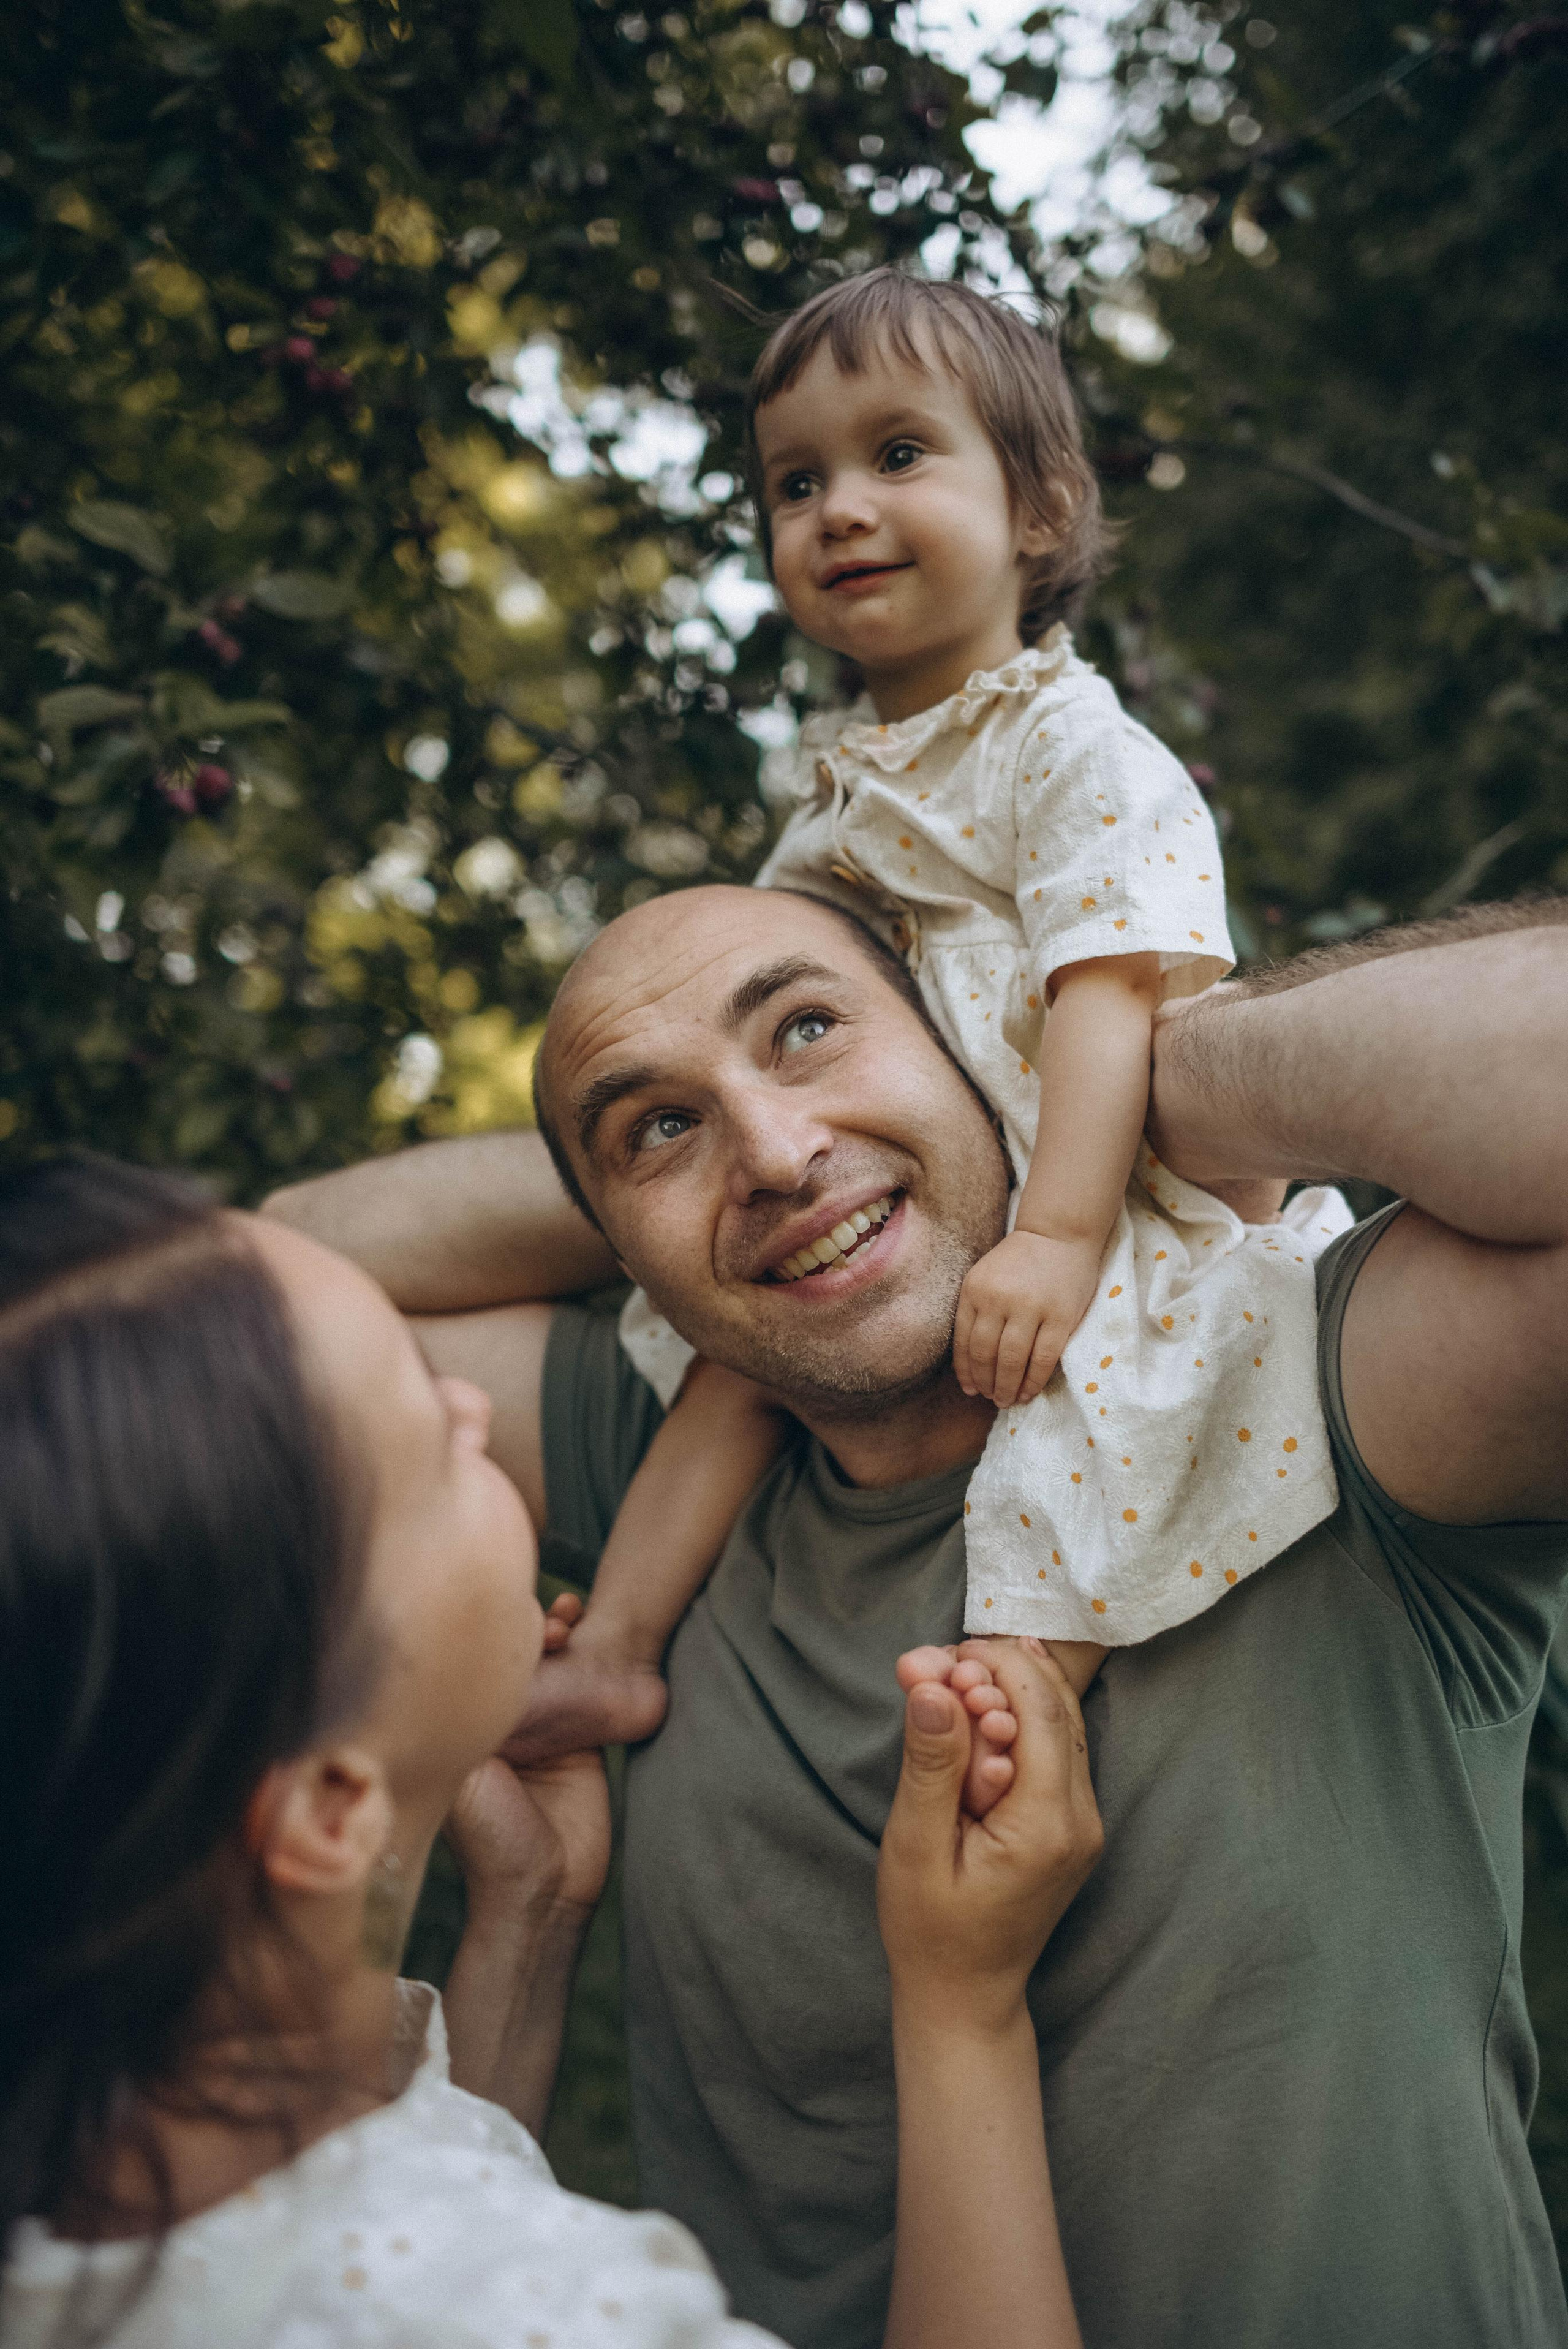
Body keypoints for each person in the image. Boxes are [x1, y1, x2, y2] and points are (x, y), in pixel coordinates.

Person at [270, 884, 1568, 2349]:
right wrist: (677, 1197)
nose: (774, 1152)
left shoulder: (1308, 1389)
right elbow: (273, 1283)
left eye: (805, 1029)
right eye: (659, 1126)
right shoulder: (664, 1493)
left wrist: (1092, 1084)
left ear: (970, 1033)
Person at [0, 1152, 1102, 2349]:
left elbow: (407, 2194)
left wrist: (524, 1916)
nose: (475, 1411)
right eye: (434, 1451)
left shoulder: (116, 2154)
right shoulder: (548, 2319)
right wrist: (960, 2008)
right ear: (328, 1811)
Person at [514, 268, 1347, 1779]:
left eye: (897, 454)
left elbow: (1107, 988)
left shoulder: (1066, 745)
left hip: (1090, 1192)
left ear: (1038, 506)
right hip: (940, 1190)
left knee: (1109, 1408)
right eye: (795, 483)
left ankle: (1027, 1700)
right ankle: (618, 1650)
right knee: (734, 1367)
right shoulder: (843, 791)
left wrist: (1060, 1237)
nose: (838, 508)